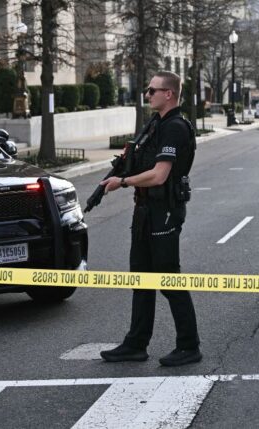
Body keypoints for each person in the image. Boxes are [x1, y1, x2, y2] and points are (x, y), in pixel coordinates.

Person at [99, 71, 201, 367]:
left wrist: (124, 181)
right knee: (141, 277)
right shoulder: (156, 125)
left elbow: (160, 175)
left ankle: (189, 345)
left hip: (165, 210)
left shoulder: (175, 128)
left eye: (152, 90)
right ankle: (135, 344)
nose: (147, 94)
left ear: (168, 94)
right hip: (145, 210)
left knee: (168, 278)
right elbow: (144, 161)